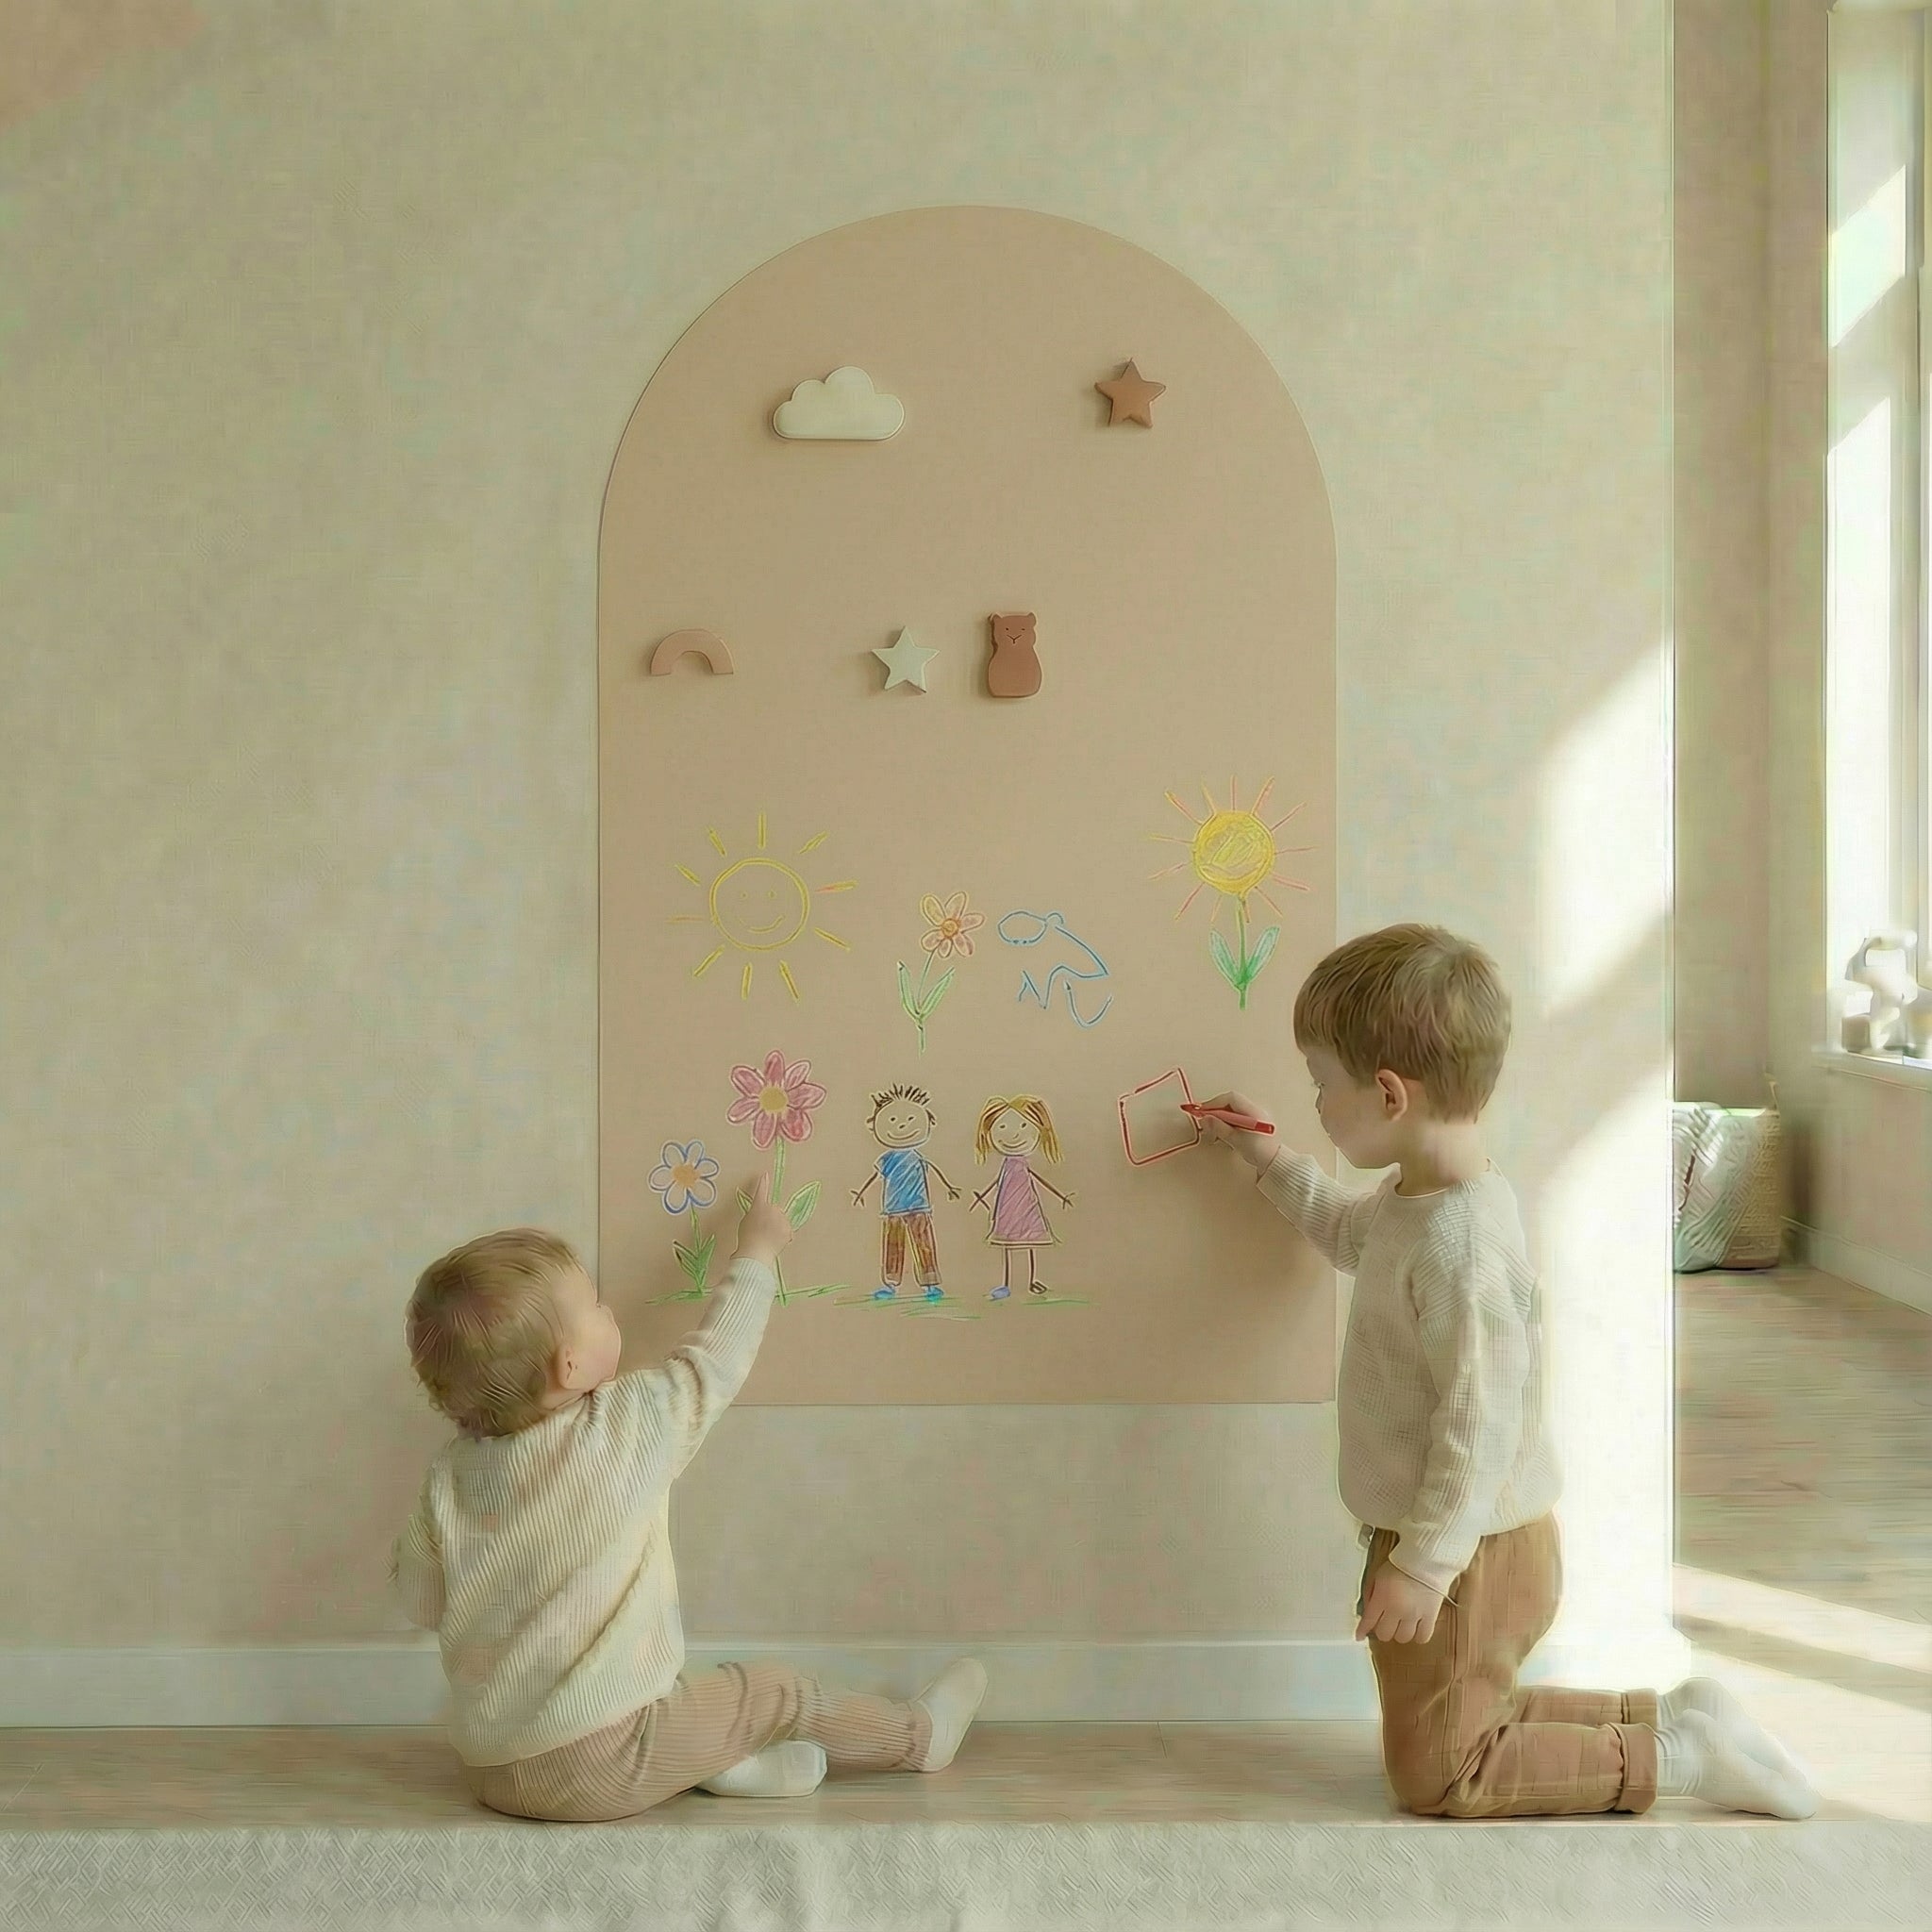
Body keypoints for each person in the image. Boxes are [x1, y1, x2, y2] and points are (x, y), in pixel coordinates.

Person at [1199, 923, 1817, 1821]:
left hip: (1471, 1548)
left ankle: (1677, 1759)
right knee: (1464, 1718)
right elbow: (1345, 1234)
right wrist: (1268, 1161)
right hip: (1449, 1539)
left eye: (1320, 1086)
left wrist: (1424, 1567)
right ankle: (1670, 1719)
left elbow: (1479, 1426)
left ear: (1387, 1093)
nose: (1318, 1107)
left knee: (1443, 1772)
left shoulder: (1462, 1244)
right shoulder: (1415, 1203)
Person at [389, 1174, 986, 1820]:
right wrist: (757, 1253)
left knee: (644, 1671)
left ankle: (726, 1767)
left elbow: (419, 1602)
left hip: (491, 1770)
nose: (610, 1312)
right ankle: (920, 1738)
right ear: (569, 1366)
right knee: (774, 1692)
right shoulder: (626, 1424)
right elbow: (715, 1360)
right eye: (595, 1304)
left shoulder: (448, 1475)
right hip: (601, 1764)